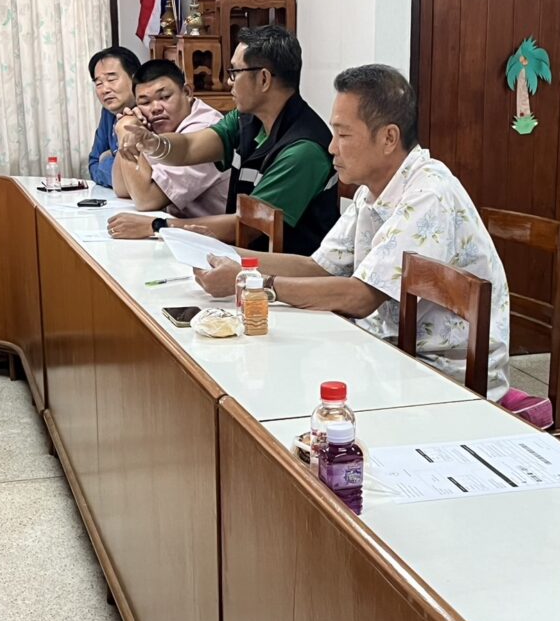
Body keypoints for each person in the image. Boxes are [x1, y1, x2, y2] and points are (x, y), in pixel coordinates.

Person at [193, 64, 511, 400]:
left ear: (389, 138)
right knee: (274, 368)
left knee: (282, 383)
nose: (332, 147)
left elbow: (362, 297)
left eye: (343, 135)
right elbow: (318, 266)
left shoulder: (429, 193)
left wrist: (256, 285)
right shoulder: (371, 191)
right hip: (389, 349)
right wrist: (227, 254)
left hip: (442, 371)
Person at [106, 25, 337, 254]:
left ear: (264, 79)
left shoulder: (303, 150)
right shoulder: (245, 120)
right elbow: (189, 147)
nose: (229, 82)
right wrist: (151, 142)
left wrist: (157, 226)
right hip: (241, 256)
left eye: (235, 72)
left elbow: (249, 226)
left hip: (282, 269)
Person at [112, 60, 229, 217]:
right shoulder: (155, 125)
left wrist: (127, 131)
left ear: (187, 92)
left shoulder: (206, 128)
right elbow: (122, 189)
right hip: (178, 226)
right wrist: (127, 127)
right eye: (145, 102)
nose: (156, 108)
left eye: (165, 97)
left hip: (212, 231)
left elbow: (146, 200)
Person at [88, 46, 141, 187]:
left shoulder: (149, 111)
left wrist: (106, 162)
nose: (105, 90)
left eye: (111, 79)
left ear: (134, 78)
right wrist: (116, 172)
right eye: (99, 83)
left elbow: (138, 176)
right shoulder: (108, 112)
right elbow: (93, 162)